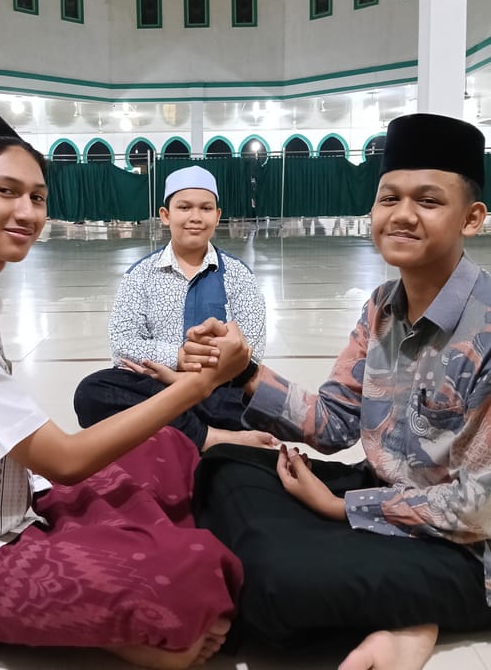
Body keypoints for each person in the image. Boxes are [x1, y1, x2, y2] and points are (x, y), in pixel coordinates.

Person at [0, 107, 247, 670]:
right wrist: (200, 381)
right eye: (6, 191)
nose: (26, 211)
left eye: (36, 197)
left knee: (166, 447)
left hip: (12, 502)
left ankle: (128, 558)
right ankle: (122, 616)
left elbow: (253, 335)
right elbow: (66, 460)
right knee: (184, 574)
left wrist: (208, 369)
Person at [186, 113, 491, 670]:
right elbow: (335, 425)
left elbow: (482, 508)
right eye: (388, 198)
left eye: (427, 201)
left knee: (279, 584)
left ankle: (410, 617)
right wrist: (245, 371)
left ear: (471, 218)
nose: (401, 215)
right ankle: (394, 603)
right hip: (386, 498)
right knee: (227, 464)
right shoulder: (381, 306)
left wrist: (341, 507)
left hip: (468, 552)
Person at [74, 165, 277, 452]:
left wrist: (185, 380)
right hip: (155, 389)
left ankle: (179, 432)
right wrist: (179, 358)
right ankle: (211, 437)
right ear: (166, 215)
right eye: (184, 207)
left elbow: (249, 353)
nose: (195, 217)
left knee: (260, 404)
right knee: (91, 392)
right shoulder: (140, 275)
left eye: (206, 208)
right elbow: (123, 344)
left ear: (217, 216)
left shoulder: (239, 276)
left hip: (216, 391)